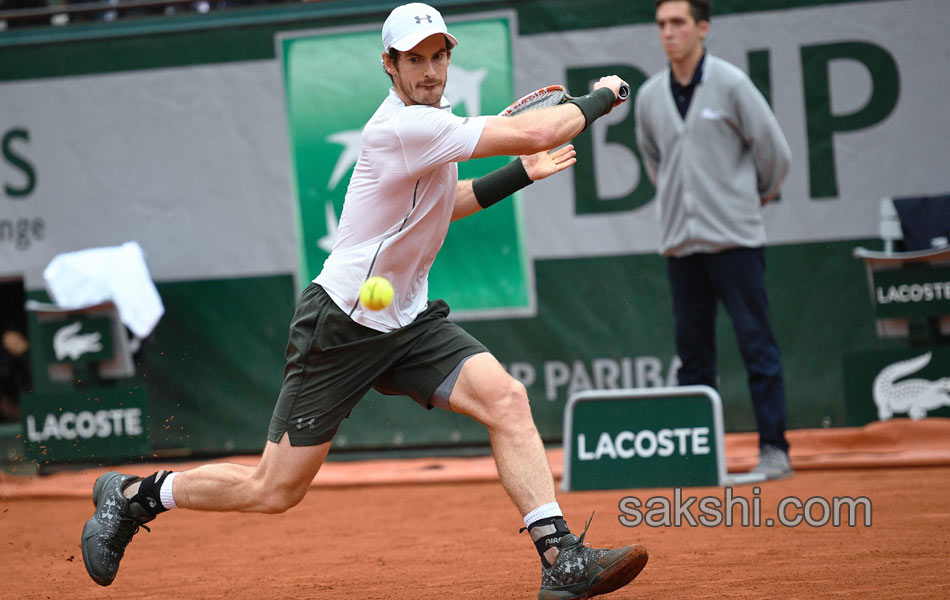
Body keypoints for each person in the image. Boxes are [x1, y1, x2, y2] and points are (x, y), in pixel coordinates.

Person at [80, 4, 648, 598]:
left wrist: (519, 176)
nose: (429, 70)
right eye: (414, 59)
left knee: (506, 399)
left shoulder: (432, 120)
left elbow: (443, 202)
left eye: (438, 56)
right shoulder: (402, 127)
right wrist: (603, 96)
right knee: (274, 490)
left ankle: (559, 557)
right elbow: (539, 129)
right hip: (343, 323)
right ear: (390, 64)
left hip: (406, 319)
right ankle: (133, 497)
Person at [635, 0, 793, 479]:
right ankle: (697, 456)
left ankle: (774, 449)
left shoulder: (732, 84)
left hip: (737, 242)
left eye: (678, 23)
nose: (668, 33)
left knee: (756, 346)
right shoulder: (647, 96)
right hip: (681, 246)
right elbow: (654, 161)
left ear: (702, 28)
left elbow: (775, 156)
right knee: (694, 358)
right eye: (662, 24)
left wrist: (747, 200)